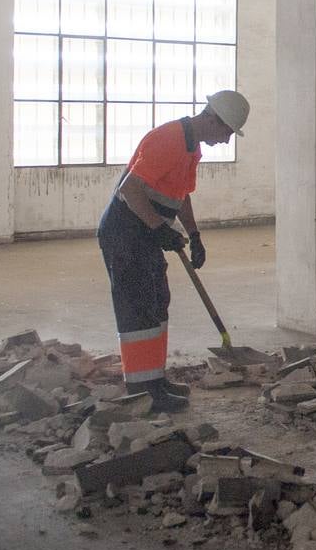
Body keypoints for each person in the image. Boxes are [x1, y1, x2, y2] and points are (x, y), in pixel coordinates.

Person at [96, 90, 250, 412]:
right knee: (138, 309)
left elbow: (180, 195)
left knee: (156, 304)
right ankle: (141, 391)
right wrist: (159, 228)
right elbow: (130, 190)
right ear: (212, 119)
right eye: (226, 132)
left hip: (145, 234)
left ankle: (155, 380)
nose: (226, 140)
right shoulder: (168, 139)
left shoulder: (191, 149)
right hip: (125, 233)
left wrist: (194, 234)